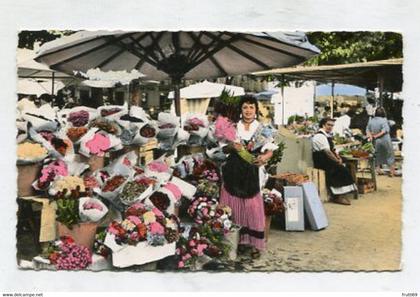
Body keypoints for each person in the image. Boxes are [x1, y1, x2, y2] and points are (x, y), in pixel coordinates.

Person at [220, 95, 277, 259]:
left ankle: (254, 244)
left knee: (253, 208)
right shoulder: (232, 127)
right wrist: (231, 146)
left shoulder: (263, 129)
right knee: (231, 206)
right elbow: (223, 150)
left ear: (256, 110)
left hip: (252, 171)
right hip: (233, 170)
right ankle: (233, 241)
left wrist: (264, 158)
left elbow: (270, 150)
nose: (248, 111)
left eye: (252, 107)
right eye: (245, 107)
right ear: (240, 110)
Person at [312, 118, 357, 205]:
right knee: (338, 170)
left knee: (344, 168)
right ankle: (337, 196)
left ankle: (342, 194)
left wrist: (338, 157)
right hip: (322, 160)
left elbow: (332, 150)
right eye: (328, 125)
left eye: (332, 125)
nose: (330, 127)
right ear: (323, 125)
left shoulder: (327, 135)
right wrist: (336, 161)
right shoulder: (320, 136)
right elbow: (327, 152)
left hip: (327, 159)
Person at [366, 107, 395, 176]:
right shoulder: (384, 120)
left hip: (376, 141)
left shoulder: (371, 120)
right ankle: (392, 171)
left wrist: (371, 136)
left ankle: (378, 170)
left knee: (377, 155)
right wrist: (377, 135)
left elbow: (367, 130)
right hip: (385, 140)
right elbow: (384, 131)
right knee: (389, 155)